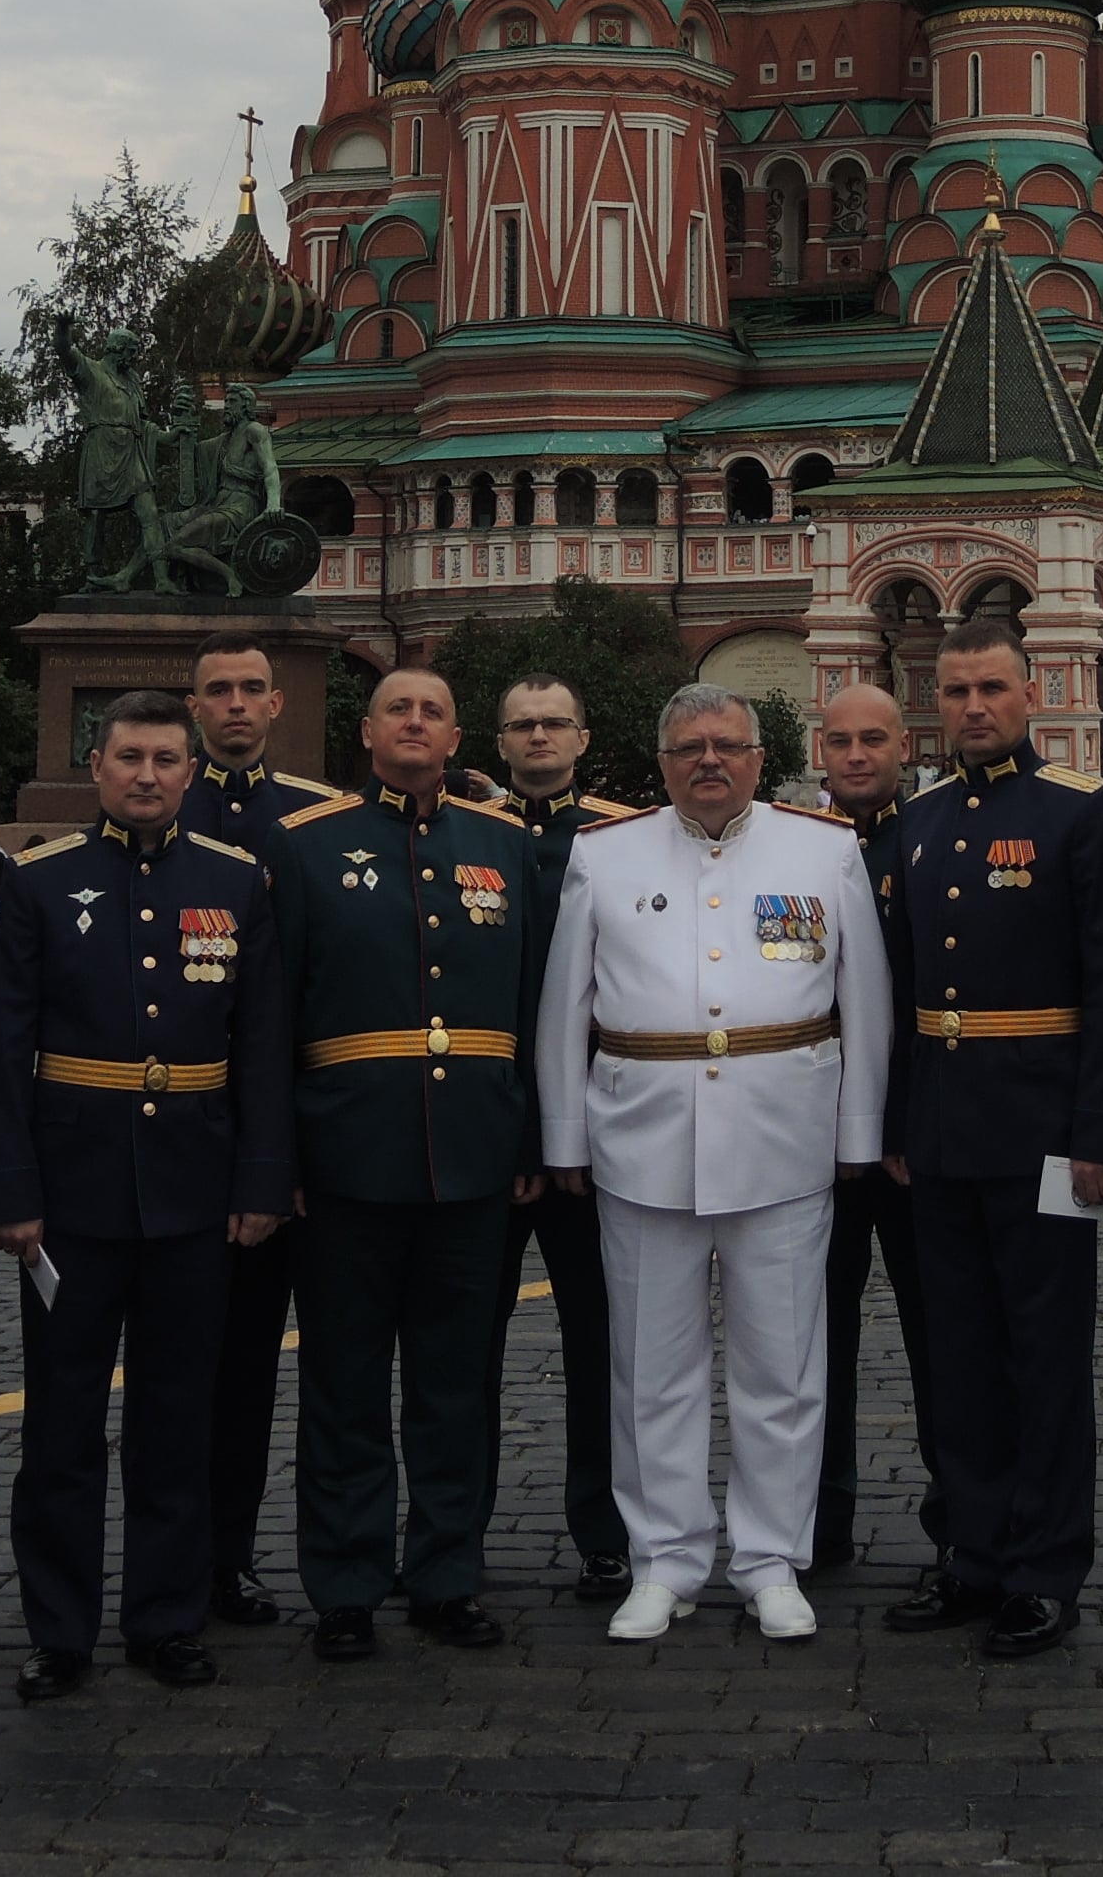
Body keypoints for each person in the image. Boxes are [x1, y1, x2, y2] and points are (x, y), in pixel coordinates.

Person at [538, 684, 890, 1644]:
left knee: (784, 1367)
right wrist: (564, 1134)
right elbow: (564, 1006)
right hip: (641, 1140)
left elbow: (866, 1000)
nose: (709, 761)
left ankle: (773, 1557)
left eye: (728, 745)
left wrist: (859, 1131)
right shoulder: (603, 856)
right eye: (689, 746)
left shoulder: (823, 850)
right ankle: (664, 1559)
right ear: (661, 763)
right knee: (653, 1369)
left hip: (785, 1138)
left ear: (757, 756)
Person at [0, 691, 292, 1700]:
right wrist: (13, 1192)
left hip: (196, 1192)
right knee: (61, 1421)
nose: (148, 775)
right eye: (128, 758)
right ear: (96, 767)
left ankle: (164, 1616)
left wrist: (259, 1181)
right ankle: (59, 1630)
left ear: (189, 773)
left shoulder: (237, 883)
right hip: (71, 1199)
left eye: (165, 759)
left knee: (175, 1416)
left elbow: (262, 1048)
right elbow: (1, 1051)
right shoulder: (37, 882)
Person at [262, 667, 551, 1660]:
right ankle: (343, 1584)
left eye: (433, 708)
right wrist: (277, 1160)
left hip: (471, 1158)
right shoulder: (303, 848)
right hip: (345, 1157)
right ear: (368, 731)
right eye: (399, 709)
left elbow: (533, 1013)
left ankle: (446, 1573)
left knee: (456, 1384)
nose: (416, 722)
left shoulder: (505, 846)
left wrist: (528, 1141)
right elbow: (271, 1021)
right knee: (343, 1384)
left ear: (457, 731)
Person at [876, 617, 1103, 1664]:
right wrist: (900, 1121)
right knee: (958, 1357)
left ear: (1030, 695)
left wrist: (1102, 1134)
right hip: (941, 1132)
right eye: (953, 692)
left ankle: (1043, 1568)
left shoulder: (1083, 815)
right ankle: (972, 1555)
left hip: (1044, 1131)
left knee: (1043, 1357)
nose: (973, 707)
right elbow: (902, 991)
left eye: (991, 687)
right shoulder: (921, 819)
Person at [181, 639, 342, 1629]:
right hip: (187, 1136)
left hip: (289, 1146)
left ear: (277, 705)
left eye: (250, 690)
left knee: (249, 1371)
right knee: (182, 1372)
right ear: (193, 707)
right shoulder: (161, 806)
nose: (234, 706)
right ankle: (177, 1554)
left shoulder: (315, 821)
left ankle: (230, 1556)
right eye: (216, 692)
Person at [479, 674, 640, 1604]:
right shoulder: (474, 838)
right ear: (501, 743)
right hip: (492, 1136)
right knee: (464, 1351)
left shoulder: (623, 838)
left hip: (598, 1133)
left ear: (582, 739)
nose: (539, 737)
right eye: (522, 725)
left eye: (554, 724)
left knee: (603, 1348)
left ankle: (607, 1530)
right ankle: (455, 1528)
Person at [806, 679, 940, 1580]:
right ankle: (816, 1527)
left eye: (874, 741)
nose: (857, 756)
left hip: (915, 1140)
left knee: (944, 1342)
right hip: (809, 1142)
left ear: (903, 749)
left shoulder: (936, 841)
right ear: (821, 751)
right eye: (840, 741)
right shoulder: (792, 852)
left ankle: (958, 1525)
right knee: (809, 1343)